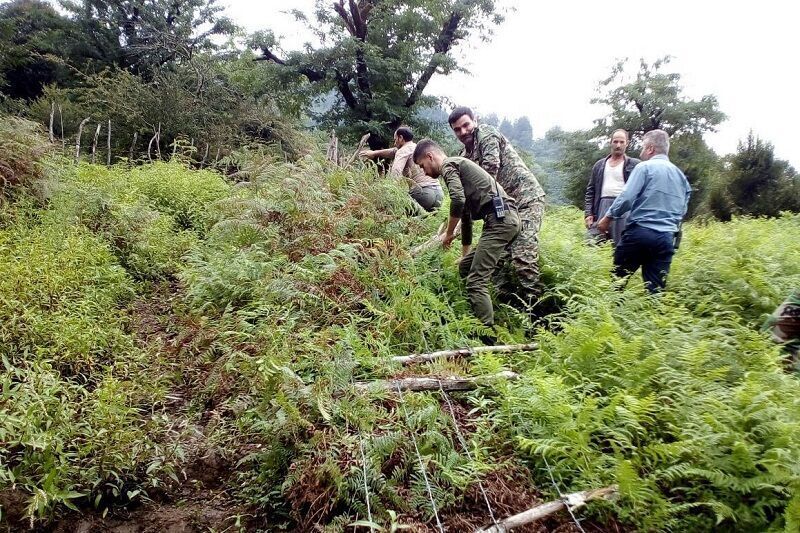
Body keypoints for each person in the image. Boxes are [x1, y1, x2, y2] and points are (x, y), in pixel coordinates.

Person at [413, 138, 520, 331]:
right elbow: (466, 217)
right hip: (502, 220)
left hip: (500, 221)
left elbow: (458, 200)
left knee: (476, 280)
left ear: (430, 157)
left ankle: (486, 335)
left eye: (422, 166)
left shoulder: (449, 165)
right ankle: (472, 313)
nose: (424, 172)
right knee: (465, 268)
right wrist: (464, 255)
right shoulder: (458, 167)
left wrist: (448, 233)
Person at [448, 106, 545, 307]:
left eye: (466, 125)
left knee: (522, 258)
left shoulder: (487, 134)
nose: (463, 132)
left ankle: (539, 317)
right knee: (496, 260)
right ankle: (506, 309)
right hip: (501, 208)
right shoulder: (463, 156)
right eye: (457, 129)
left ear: (475, 120)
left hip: (525, 200)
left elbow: (490, 171)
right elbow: (465, 201)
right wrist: (463, 247)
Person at [597, 129, 691, 293]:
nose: (640, 151)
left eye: (642, 147)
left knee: (617, 283)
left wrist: (607, 218)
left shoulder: (644, 168)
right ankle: (652, 316)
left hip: (640, 234)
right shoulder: (680, 176)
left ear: (650, 149)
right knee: (655, 290)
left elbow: (626, 197)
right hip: (666, 238)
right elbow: (683, 209)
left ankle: (611, 315)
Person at [360, 126, 443, 212]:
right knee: (423, 223)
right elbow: (393, 151)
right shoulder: (416, 147)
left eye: (395, 139)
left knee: (396, 214)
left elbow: (395, 174)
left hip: (422, 193)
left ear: (400, 138)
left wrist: (387, 194)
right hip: (438, 194)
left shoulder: (403, 151)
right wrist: (374, 153)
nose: (394, 143)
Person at [584, 129, 640, 244]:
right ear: (610, 142)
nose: (618, 145)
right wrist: (588, 213)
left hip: (623, 208)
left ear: (627, 143)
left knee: (620, 244)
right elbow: (591, 190)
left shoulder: (634, 164)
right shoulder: (599, 165)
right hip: (601, 207)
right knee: (594, 243)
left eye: (621, 142)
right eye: (615, 142)